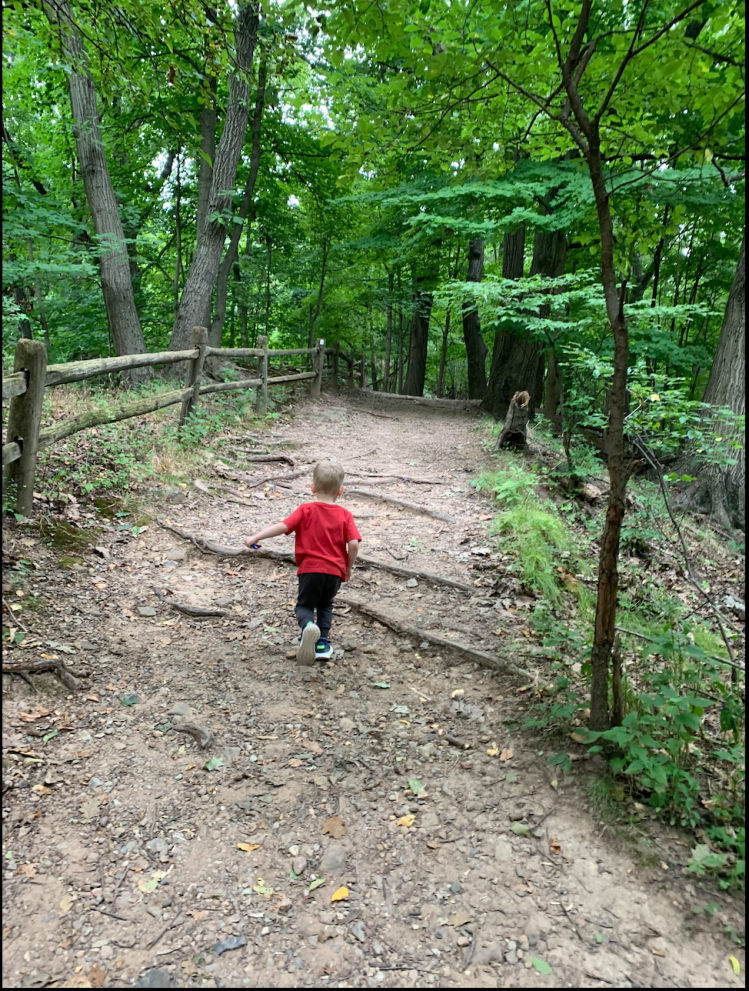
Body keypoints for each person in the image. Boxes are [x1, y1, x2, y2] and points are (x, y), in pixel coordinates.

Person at [244, 460, 361, 663]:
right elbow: (354, 544)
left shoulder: (306, 510)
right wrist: (348, 567)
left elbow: (283, 526)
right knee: (326, 604)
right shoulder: (345, 515)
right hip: (334, 571)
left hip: (310, 570)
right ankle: (322, 643)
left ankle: (307, 627)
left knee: (305, 606)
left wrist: (256, 537)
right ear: (341, 491)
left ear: (312, 487)